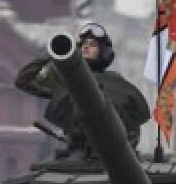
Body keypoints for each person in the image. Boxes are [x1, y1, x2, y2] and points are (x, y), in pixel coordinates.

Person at [15, 22, 151, 151]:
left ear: (103, 51)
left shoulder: (116, 82)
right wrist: (52, 54)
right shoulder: (65, 80)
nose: (86, 47)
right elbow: (23, 81)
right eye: (83, 44)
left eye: (92, 45)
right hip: (77, 149)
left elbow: (136, 116)